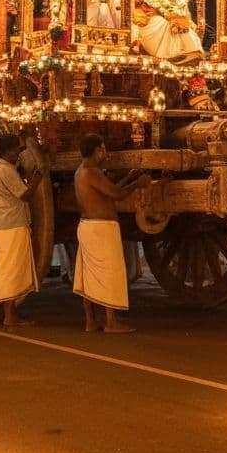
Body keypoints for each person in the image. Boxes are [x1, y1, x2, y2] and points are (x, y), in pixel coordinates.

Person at [73, 133, 149, 333]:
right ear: (98, 151)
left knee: (88, 274)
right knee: (110, 273)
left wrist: (130, 177)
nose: (105, 154)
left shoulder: (81, 172)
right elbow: (116, 194)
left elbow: (108, 191)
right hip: (101, 228)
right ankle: (111, 321)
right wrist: (137, 184)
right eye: (103, 149)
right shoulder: (92, 172)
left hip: (88, 226)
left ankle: (90, 321)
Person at [0, 134, 46, 327]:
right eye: (17, 151)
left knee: (2, 268)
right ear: (8, 151)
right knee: (11, 270)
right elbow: (25, 195)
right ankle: (10, 315)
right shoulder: (5, 170)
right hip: (12, 225)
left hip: (0, 225)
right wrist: (38, 177)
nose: (19, 154)